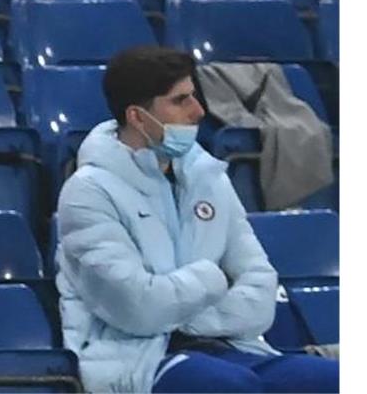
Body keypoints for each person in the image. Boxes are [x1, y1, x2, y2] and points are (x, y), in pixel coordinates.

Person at [55, 46, 339, 393]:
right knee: (228, 386)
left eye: (195, 97)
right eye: (180, 100)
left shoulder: (209, 178)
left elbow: (261, 289)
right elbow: (138, 308)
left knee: (334, 379)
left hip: (229, 347)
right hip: (135, 357)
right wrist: (213, 279)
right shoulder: (88, 192)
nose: (198, 111)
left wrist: (181, 315)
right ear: (137, 116)